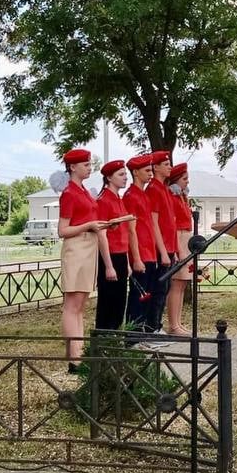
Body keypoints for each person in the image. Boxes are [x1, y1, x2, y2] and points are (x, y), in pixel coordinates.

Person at [56, 149, 108, 373]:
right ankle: (74, 358)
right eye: (85, 164)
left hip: (88, 246)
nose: (89, 167)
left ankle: (79, 352)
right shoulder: (69, 193)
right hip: (76, 248)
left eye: (89, 163)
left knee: (81, 304)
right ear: (73, 167)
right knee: (72, 305)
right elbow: (62, 230)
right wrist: (88, 226)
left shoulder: (84, 191)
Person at [95, 160, 135, 331]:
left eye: (125, 174)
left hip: (120, 255)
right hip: (109, 256)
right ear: (109, 178)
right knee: (108, 302)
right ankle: (104, 339)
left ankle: (115, 337)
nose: (125, 177)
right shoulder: (103, 200)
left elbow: (123, 234)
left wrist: (126, 262)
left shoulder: (118, 199)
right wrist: (109, 266)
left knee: (120, 301)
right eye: (121, 174)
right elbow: (102, 233)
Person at [123, 154, 160, 331]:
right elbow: (131, 230)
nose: (150, 174)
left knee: (148, 295)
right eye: (147, 170)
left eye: (151, 170)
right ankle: (133, 336)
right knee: (138, 296)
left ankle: (143, 331)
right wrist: (136, 258)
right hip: (141, 253)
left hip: (149, 252)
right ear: (135, 172)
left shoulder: (143, 195)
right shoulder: (131, 196)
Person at [146, 151, 176, 332]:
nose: (169, 167)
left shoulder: (164, 188)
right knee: (157, 289)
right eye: (166, 164)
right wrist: (163, 250)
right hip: (160, 247)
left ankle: (157, 325)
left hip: (169, 246)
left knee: (164, 289)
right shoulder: (153, 189)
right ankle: (152, 327)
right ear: (155, 167)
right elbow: (154, 222)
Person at [164, 162, 194, 336]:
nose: (187, 182)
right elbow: (173, 224)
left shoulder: (182, 196)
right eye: (184, 179)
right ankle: (173, 324)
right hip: (179, 238)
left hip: (186, 237)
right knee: (177, 282)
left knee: (182, 283)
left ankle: (178, 322)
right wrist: (178, 249)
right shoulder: (173, 197)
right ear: (175, 180)